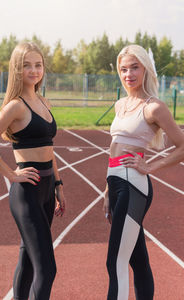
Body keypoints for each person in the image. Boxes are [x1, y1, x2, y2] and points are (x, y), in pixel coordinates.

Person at [0, 42, 66, 300]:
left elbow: (49, 149)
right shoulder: (16, 106)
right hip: (27, 192)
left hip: (47, 187)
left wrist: (58, 185)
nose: (33, 70)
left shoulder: (43, 101)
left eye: (38, 65)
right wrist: (11, 174)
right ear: (17, 70)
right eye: (27, 65)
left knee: (29, 259)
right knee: (47, 268)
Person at [103, 44, 184, 300]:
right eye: (124, 69)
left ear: (145, 69)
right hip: (115, 185)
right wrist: (106, 192)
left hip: (133, 187)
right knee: (137, 260)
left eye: (135, 67)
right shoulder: (119, 105)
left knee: (115, 261)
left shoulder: (154, 107)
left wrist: (151, 167)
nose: (129, 74)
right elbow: (113, 149)